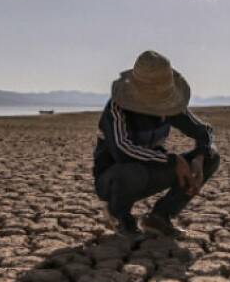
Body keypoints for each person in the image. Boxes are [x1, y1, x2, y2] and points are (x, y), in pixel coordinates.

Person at [94, 50, 219, 238]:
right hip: (114, 180)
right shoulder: (117, 108)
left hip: (151, 172)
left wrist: (200, 157)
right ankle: (119, 216)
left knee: (212, 156)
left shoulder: (169, 105)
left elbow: (203, 131)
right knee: (131, 171)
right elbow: (122, 151)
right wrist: (172, 160)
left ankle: (160, 217)